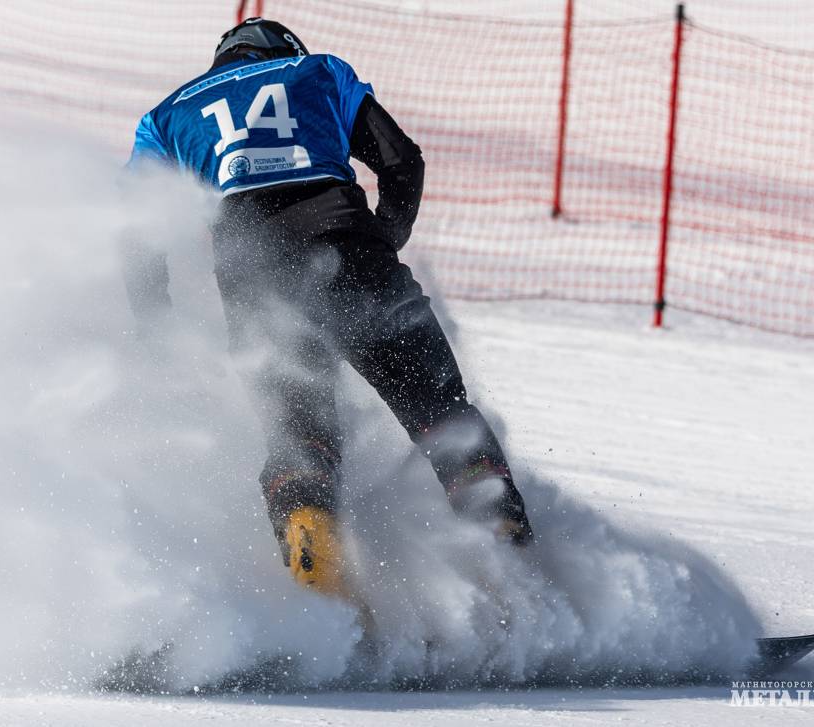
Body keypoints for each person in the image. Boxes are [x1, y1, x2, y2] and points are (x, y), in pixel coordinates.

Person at [123, 17, 532, 600]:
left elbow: (137, 231)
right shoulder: (319, 71)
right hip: (351, 253)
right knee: (442, 415)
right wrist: (382, 242)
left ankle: (322, 593)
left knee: (300, 439)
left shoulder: (163, 117)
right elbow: (401, 161)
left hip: (255, 280)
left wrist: (156, 322)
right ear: (285, 50)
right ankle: (516, 578)